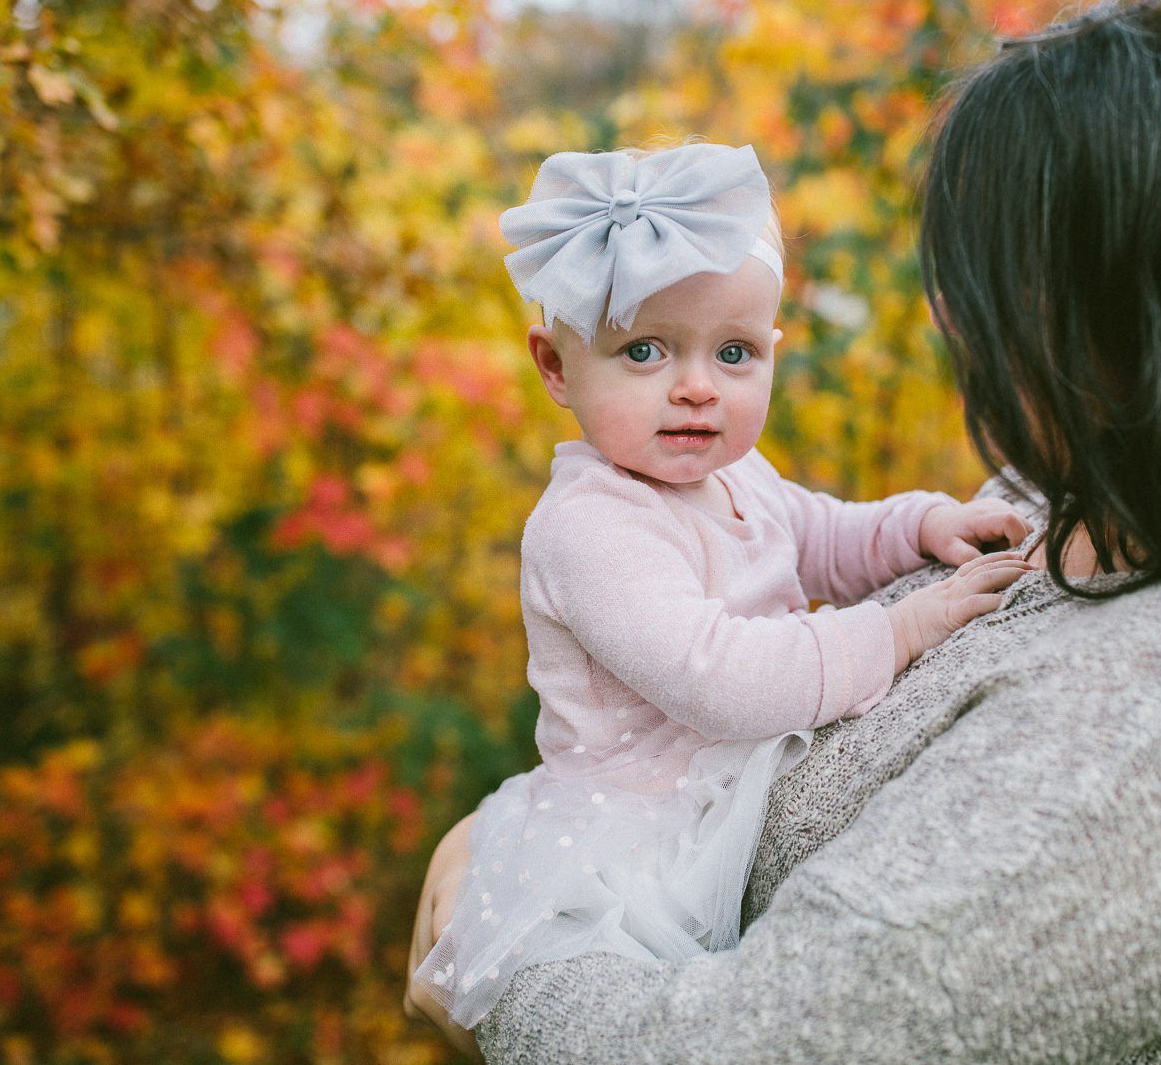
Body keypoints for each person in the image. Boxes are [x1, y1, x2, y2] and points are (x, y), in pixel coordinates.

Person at [407, 0, 1161, 1063]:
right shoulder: (1101, 497)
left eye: (1003, 279)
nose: (958, 318)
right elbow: (841, 551)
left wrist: (502, 954)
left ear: (1159, 316)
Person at [409, 142, 1037, 1034]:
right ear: (555, 366)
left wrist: (919, 526)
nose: (698, 387)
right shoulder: (593, 525)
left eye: (735, 352)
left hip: (730, 782)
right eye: (647, 351)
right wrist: (897, 632)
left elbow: (818, 535)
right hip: (651, 825)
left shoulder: (734, 473)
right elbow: (719, 676)